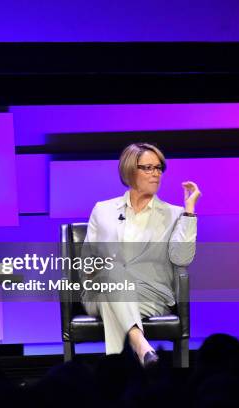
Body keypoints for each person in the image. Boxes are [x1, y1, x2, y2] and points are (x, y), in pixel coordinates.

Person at [82, 143, 200, 367]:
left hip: (150, 296)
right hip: (100, 293)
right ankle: (141, 346)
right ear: (129, 170)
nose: (156, 174)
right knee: (112, 274)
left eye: (159, 168)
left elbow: (182, 259)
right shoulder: (103, 210)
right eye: (148, 168)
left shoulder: (175, 214)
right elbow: (87, 261)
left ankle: (119, 372)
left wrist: (189, 211)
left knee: (113, 301)